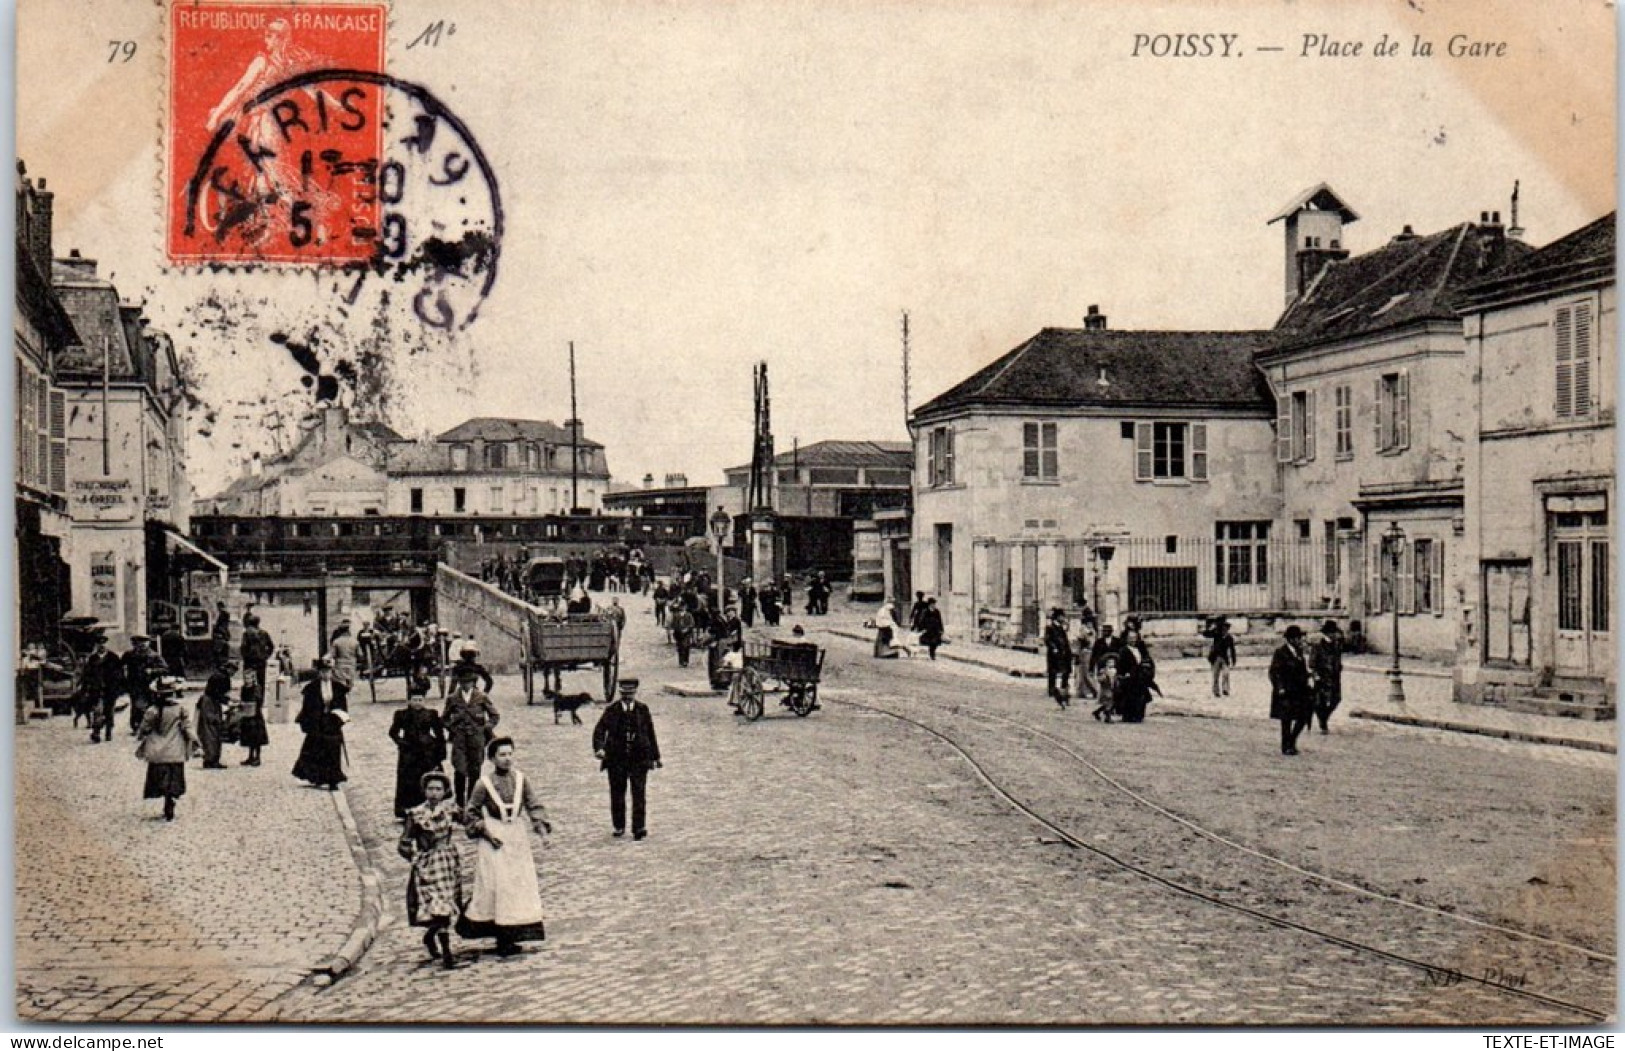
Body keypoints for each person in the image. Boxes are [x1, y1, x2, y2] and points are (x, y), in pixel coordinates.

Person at [458, 737, 551, 956]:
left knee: (517, 883)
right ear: (492, 759)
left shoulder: (521, 779)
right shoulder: (483, 784)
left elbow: (533, 804)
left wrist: (542, 831)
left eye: (510, 754)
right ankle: (499, 933)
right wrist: (485, 831)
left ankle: (515, 931)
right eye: (502, 755)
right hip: (494, 837)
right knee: (496, 884)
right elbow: (470, 813)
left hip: (516, 836)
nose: (507, 759)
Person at [399, 770, 463, 969]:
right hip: (428, 865)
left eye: (438, 789)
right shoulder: (416, 814)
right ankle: (447, 953)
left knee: (446, 905)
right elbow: (403, 843)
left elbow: (469, 821)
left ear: (445, 792)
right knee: (437, 906)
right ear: (424, 791)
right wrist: (415, 858)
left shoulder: (451, 810)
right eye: (430, 789)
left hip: (447, 862)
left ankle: (430, 937)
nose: (434, 793)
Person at [592, 678, 661, 840]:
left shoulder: (643, 710)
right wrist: (599, 748)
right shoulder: (612, 710)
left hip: (639, 758)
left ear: (635, 693)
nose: (627, 697)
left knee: (639, 793)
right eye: (624, 694)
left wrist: (656, 757)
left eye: (630, 694)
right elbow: (599, 730)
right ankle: (619, 825)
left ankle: (639, 827)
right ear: (620, 693)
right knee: (617, 793)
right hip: (616, 759)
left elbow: (650, 733)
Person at [137, 676, 200, 821]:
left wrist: (142, 735)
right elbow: (187, 727)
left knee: (160, 776)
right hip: (175, 749)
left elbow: (144, 728)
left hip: (157, 751)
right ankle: (170, 799)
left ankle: (165, 795)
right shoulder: (180, 710)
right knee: (174, 777)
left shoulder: (152, 711)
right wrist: (195, 741)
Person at [390, 681, 448, 818]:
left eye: (420, 700)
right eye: (414, 700)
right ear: (409, 701)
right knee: (408, 780)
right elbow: (393, 732)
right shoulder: (401, 715)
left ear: (424, 700)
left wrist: (440, 752)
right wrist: (401, 743)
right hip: (409, 754)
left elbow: (439, 735)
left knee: (428, 778)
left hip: (427, 753)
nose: (417, 703)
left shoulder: (431, 714)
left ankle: (431, 806)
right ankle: (407, 809)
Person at [443, 675, 500, 807]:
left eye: (468, 682)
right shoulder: (453, 698)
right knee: (459, 769)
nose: (465, 685)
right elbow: (444, 718)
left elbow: (494, 715)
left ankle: (472, 803)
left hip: (476, 739)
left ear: (473, 682)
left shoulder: (481, 697)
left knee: (475, 770)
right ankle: (459, 803)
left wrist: (485, 728)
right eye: (463, 682)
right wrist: (453, 728)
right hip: (459, 740)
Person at [292, 657, 349, 789]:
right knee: (316, 747)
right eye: (323, 672)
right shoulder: (312, 688)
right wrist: (309, 722)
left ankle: (333, 779)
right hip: (317, 721)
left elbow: (343, 706)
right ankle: (318, 776)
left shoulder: (338, 687)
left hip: (332, 721)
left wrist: (340, 718)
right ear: (319, 672)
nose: (325, 675)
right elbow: (307, 707)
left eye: (328, 672)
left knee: (333, 748)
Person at [1269, 625, 1314, 756]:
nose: (1300, 640)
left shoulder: (1299, 652)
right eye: (1298, 638)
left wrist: (1309, 675)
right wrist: (1280, 687)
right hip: (1286, 691)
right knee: (1286, 719)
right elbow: (1274, 672)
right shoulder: (1280, 653)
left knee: (1303, 717)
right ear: (1291, 639)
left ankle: (1292, 740)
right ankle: (1286, 746)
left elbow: (1302, 671)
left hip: (1300, 691)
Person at [83, 632, 124, 744]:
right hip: (96, 689)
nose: (101, 646)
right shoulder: (92, 659)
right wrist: (86, 688)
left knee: (109, 711)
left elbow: (119, 674)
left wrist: (118, 688)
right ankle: (96, 732)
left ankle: (108, 731)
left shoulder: (113, 657)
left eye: (104, 643)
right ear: (96, 646)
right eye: (99, 644)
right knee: (97, 711)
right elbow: (86, 675)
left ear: (106, 644)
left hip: (110, 689)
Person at [1113, 626, 1157, 723]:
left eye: (1134, 638)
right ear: (1127, 639)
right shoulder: (1123, 650)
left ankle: (1139, 715)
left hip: (1139, 677)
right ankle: (1128, 715)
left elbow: (1147, 661)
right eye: (1130, 638)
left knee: (1140, 697)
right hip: (1129, 677)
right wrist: (1123, 674)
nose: (1133, 640)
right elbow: (1120, 665)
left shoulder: (1139, 650)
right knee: (1129, 698)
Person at [123, 635, 165, 736]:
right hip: (134, 684)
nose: (142, 645)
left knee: (149, 706)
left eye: (144, 642)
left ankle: (148, 726)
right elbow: (120, 666)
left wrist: (152, 671)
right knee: (136, 706)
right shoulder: (129, 655)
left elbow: (164, 668)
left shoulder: (154, 655)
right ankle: (136, 726)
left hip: (149, 684)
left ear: (148, 643)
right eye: (139, 643)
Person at [1309, 619, 1345, 734]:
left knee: (1336, 698)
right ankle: (1322, 721)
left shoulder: (1337, 646)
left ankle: (1324, 718)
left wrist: (1339, 667)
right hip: (1322, 677)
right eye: (1333, 632)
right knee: (1320, 701)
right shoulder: (1318, 646)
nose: (1335, 635)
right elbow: (1312, 663)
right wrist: (1316, 675)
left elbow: (1338, 658)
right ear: (1328, 633)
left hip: (1334, 677)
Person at [196, 663, 234, 769]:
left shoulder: (216, 675)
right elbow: (218, 694)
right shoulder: (223, 678)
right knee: (212, 732)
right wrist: (228, 702)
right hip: (211, 704)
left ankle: (209, 758)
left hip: (208, 703)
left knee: (208, 732)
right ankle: (212, 759)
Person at [1044, 609, 1072, 707]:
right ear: (1057, 617)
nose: (1063, 618)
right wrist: (1054, 648)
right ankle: (1051, 689)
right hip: (1054, 653)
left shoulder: (1061, 628)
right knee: (1052, 671)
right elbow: (1047, 640)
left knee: (1065, 671)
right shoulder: (1050, 627)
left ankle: (1063, 689)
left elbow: (1065, 641)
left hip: (1062, 652)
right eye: (1062, 617)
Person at [1206, 616, 1237, 698]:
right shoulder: (1216, 635)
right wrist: (1210, 627)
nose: (1225, 630)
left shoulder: (1230, 638)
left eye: (1226, 628)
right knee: (1215, 675)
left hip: (1224, 658)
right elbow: (1206, 634)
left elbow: (1232, 649)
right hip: (1215, 657)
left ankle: (1225, 689)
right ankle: (1216, 691)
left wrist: (1234, 660)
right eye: (1223, 628)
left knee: (1226, 673)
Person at [1072, 618, 1097, 702]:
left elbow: (1088, 641)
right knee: (1081, 673)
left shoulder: (1090, 631)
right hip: (1083, 652)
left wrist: (1081, 636)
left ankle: (1095, 690)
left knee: (1086, 673)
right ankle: (1081, 691)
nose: (1089, 624)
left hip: (1087, 652)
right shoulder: (1087, 630)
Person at [329, 621, 359, 690]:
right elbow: (360, 654)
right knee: (350, 681)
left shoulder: (336, 641)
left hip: (340, 664)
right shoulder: (355, 641)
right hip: (351, 663)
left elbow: (332, 654)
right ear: (348, 631)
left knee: (340, 682)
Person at [669, 603, 695, 669]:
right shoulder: (676, 615)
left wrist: (687, 629)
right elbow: (673, 624)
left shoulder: (689, 615)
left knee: (686, 647)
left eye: (683, 607)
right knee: (680, 647)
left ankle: (686, 661)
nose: (682, 609)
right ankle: (681, 661)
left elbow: (692, 624)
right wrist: (677, 629)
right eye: (681, 607)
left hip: (687, 634)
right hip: (678, 634)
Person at [211, 602, 233, 669]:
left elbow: (221, 625)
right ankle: (222, 663)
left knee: (219, 650)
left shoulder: (223, 614)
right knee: (223, 649)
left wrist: (216, 629)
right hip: (223, 633)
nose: (218, 609)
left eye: (218, 607)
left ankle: (220, 664)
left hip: (221, 633)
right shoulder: (224, 614)